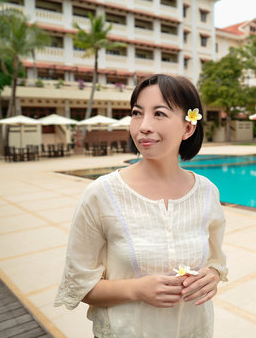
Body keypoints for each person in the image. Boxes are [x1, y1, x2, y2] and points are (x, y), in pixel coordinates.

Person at [54, 74, 228, 337]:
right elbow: (79, 285)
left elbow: (216, 262)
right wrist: (138, 289)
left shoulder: (206, 193)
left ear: (188, 127)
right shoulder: (102, 194)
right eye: (137, 113)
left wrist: (211, 276)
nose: (143, 126)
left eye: (159, 114)